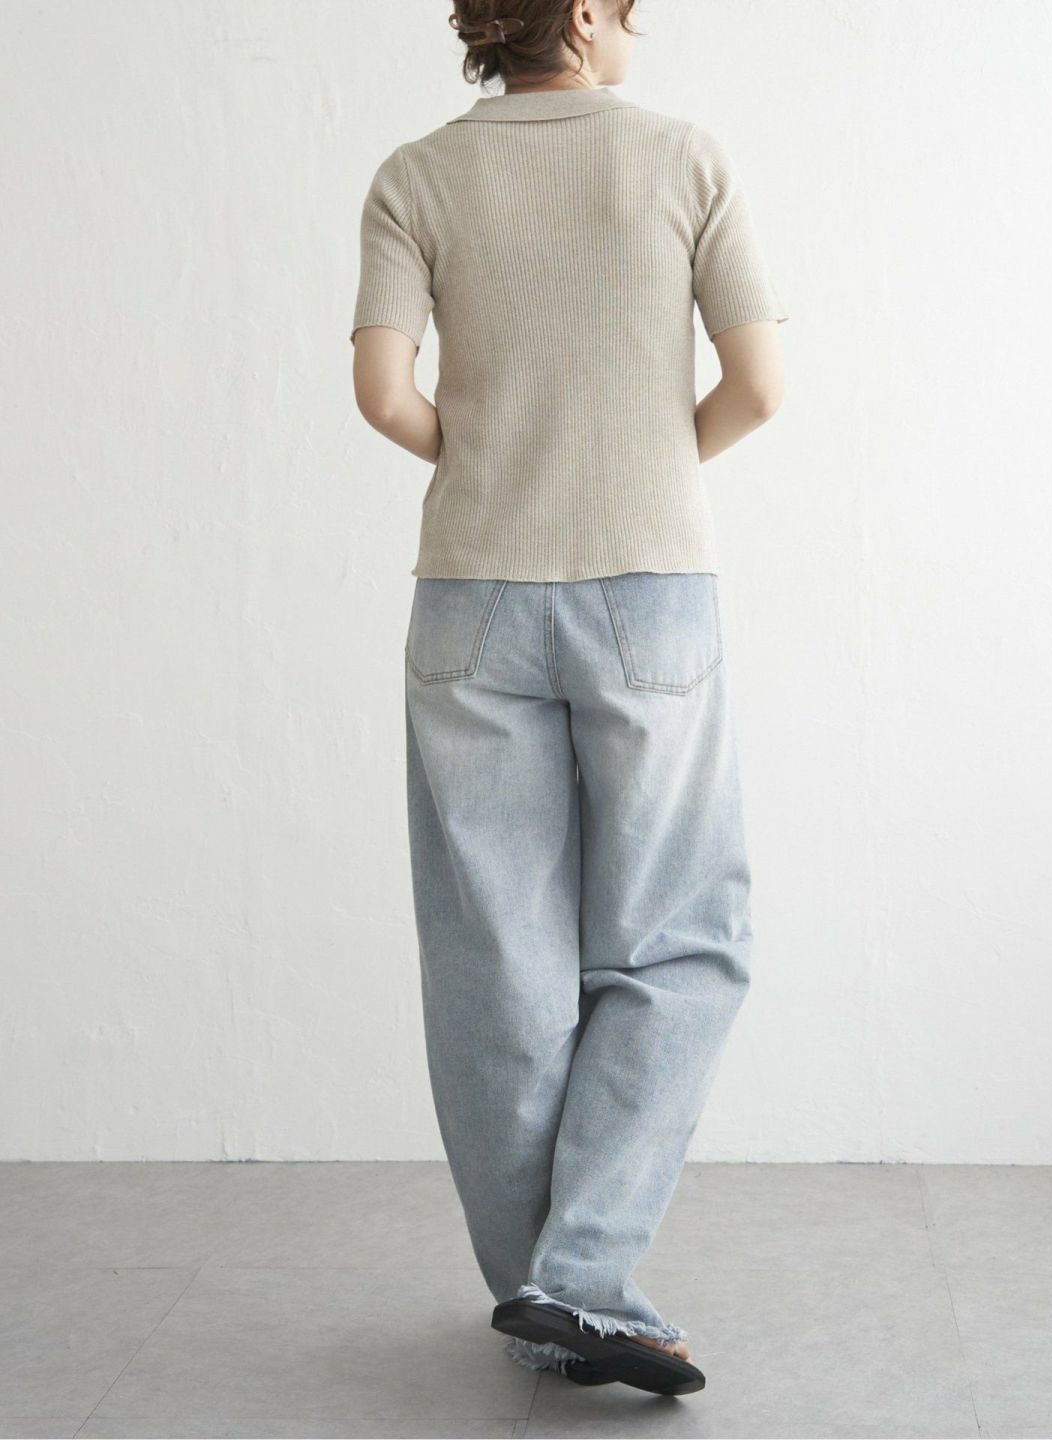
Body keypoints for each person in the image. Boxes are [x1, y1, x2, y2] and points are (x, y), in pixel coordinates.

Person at [350, 0, 787, 1398]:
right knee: (678, 939)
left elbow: (383, 394)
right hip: (648, 589)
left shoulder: (416, 174)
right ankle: (582, 1278)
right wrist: (643, 465)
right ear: (587, 15)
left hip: (471, 593)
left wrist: (490, 457)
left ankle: (542, 1293)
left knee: (496, 963)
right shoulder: (683, 157)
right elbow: (759, 386)